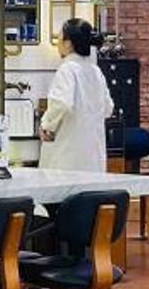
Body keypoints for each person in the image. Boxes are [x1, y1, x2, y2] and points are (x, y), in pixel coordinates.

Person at [38, 17, 110, 174]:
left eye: (59, 37)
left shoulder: (68, 69)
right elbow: (108, 109)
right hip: (93, 155)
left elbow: (62, 104)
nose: (57, 42)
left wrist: (47, 125)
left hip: (67, 156)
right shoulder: (96, 71)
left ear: (68, 43)